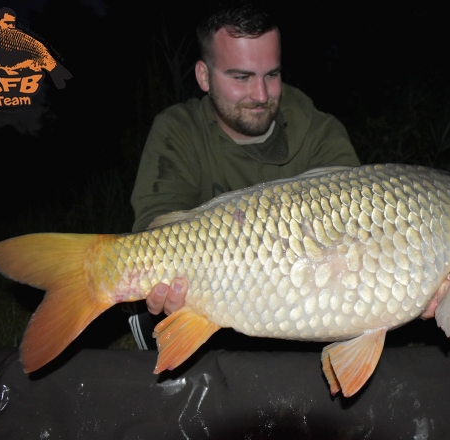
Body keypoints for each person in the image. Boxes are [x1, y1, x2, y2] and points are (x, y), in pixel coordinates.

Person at [128, 1, 360, 349]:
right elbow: (156, 224)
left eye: (272, 75)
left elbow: (361, 234)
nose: (262, 95)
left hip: (304, 295)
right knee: (153, 311)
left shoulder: (320, 131)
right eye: (241, 77)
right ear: (204, 76)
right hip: (206, 294)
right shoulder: (178, 129)